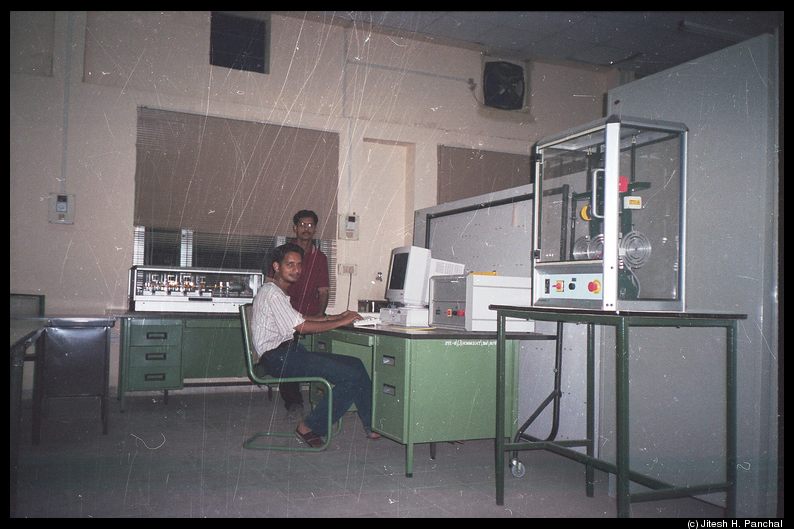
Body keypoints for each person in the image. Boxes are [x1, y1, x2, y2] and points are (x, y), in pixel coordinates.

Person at [251, 243, 380, 448]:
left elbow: (300, 318)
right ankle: (308, 427)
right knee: (351, 377)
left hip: (286, 353)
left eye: (299, 265)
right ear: (276, 266)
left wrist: (338, 316)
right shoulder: (272, 294)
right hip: (278, 358)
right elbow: (302, 327)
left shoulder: (276, 292)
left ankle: (372, 424)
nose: (296, 270)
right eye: (290, 264)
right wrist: (341, 322)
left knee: (355, 364)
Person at [277, 210, 330, 414]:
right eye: (302, 225)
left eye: (310, 225)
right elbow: (273, 285)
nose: (306, 229)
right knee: (287, 350)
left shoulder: (321, 258)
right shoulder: (284, 254)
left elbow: (323, 290)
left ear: (315, 229)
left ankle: (322, 395)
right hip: (287, 315)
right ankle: (293, 401)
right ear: (295, 228)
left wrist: (320, 315)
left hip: (311, 314)